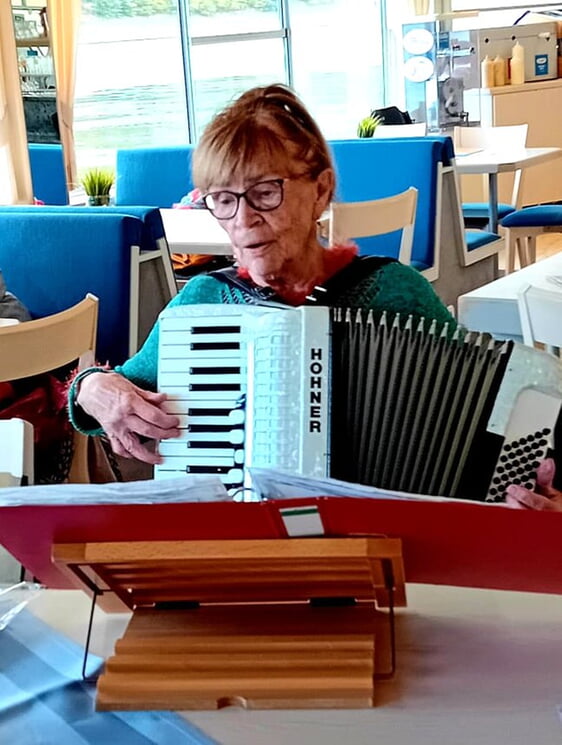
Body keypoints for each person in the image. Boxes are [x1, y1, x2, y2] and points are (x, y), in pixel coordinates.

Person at [68, 84, 456, 465]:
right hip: (245, 525)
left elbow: (488, 409)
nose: (242, 219)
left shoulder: (394, 292)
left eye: (266, 193)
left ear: (321, 190)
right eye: (223, 199)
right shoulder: (203, 301)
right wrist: (90, 388)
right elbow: (120, 387)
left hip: (380, 525)